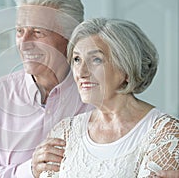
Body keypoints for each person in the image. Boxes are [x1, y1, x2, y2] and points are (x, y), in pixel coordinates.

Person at [0, 0, 90, 177]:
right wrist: (28, 170)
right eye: (20, 31)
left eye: (38, 32)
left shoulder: (97, 97)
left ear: (72, 37)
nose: (24, 43)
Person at [33, 18, 179, 177]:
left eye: (96, 59)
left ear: (126, 68)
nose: (81, 72)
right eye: (77, 59)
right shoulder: (65, 131)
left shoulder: (165, 133)